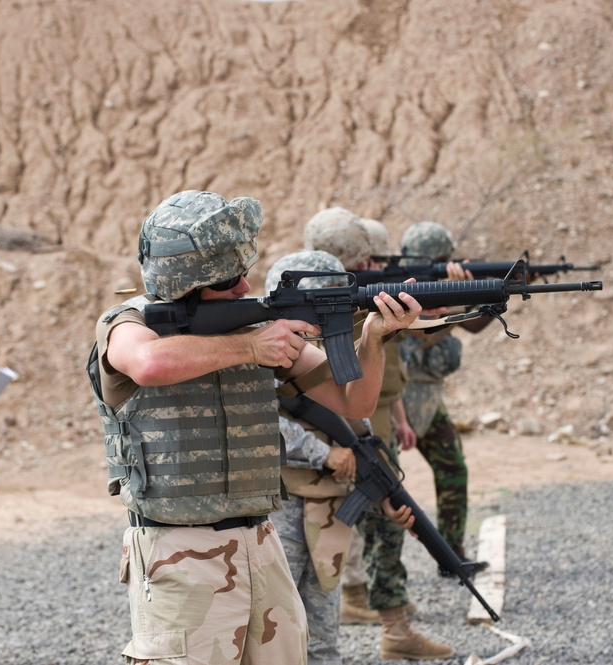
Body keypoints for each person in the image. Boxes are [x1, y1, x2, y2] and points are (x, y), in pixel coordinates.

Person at [87, 190, 426, 664]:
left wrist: (372, 336)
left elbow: (354, 401)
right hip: (178, 549)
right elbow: (148, 363)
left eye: (245, 274)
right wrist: (251, 349)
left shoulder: (253, 327)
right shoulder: (127, 324)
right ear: (186, 283)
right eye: (229, 281)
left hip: (261, 544)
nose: (245, 288)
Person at [303, 211, 453, 661]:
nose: (373, 269)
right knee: (377, 523)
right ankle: (390, 624)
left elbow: (385, 366)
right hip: (348, 430)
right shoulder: (328, 304)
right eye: (364, 261)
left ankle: (381, 612)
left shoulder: (354, 299)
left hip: (374, 420)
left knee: (380, 521)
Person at [266, 249, 419, 665]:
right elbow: (264, 422)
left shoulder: (310, 353)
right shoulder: (261, 350)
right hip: (277, 504)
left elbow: (355, 417)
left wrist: (384, 491)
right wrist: (322, 453)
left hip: (327, 504)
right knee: (278, 634)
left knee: (322, 639)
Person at [397, 221, 494, 566]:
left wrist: (499, 292)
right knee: (384, 489)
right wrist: (457, 297)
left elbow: (473, 322)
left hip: (428, 400)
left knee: (453, 469)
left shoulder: (438, 288)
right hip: (398, 400)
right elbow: (427, 332)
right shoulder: (400, 291)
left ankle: (453, 552)